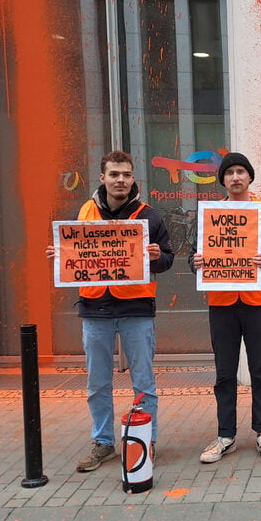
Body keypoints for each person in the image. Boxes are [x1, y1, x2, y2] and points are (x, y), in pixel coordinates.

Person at [46, 150, 174, 472]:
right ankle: (103, 441)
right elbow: (76, 254)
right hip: (95, 310)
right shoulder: (85, 212)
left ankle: (146, 440)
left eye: (126, 175)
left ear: (134, 179)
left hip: (136, 309)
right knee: (97, 383)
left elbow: (168, 260)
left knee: (143, 381)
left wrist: (157, 256)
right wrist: (61, 256)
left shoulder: (150, 216)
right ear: (102, 178)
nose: (121, 180)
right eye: (114, 174)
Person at [191, 152, 261, 464]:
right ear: (222, 180)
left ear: (250, 178)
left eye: (241, 172)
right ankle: (226, 435)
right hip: (222, 304)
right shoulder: (209, 214)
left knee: (260, 372)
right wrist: (194, 262)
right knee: (224, 373)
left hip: (259, 305)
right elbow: (196, 254)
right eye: (230, 173)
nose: (236, 177)